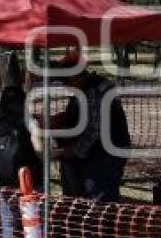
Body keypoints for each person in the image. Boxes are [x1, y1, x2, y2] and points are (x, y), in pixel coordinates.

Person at [0, 51, 43, 238]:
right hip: (28, 178)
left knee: (8, 223)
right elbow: (38, 147)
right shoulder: (28, 118)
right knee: (36, 221)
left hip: (3, 181)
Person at [53, 51, 130, 203]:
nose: (65, 85)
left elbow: (94, 130)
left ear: (75, 76)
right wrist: (60, 119)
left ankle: (103, 225)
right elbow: (81, 117)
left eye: (66, 81)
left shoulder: (94, 91)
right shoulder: (83, 89)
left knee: (101, 201)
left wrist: (73, 150)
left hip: (107, 154)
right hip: (98, 152)